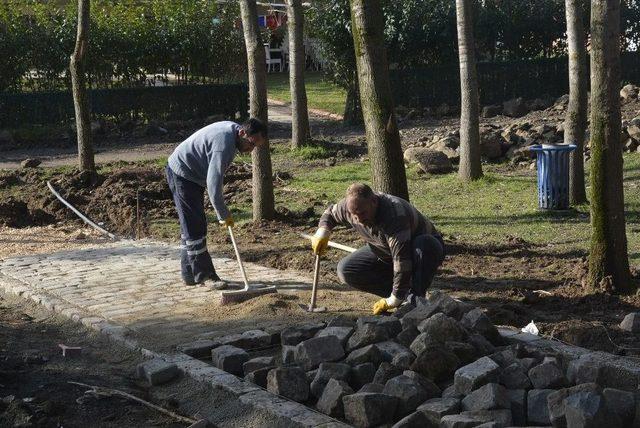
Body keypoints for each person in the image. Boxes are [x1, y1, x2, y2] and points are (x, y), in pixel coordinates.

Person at [311, 183, 445, 314]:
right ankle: (405, 296)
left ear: (374, 201)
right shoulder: (350, 208)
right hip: (385, 251)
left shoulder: (395, 215)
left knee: (424, 244)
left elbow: (402, 260)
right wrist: (323, 231)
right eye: (354, 215)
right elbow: (330, 213)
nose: (358, 219)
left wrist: (394, 299)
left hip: (420, 249)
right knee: (346, 269)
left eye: (362, 213)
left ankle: (414, 300)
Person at [166, 118, 267, 287]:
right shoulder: (224, 146)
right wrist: (223, 214)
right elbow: (214, 186)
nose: (252, 149)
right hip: (182, 173)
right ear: (243, 133)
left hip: (191, 175)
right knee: (195, 227)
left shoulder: (233, 132)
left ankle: (189, 274)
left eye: (256, 146)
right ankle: (205, 276)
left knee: (191, 225)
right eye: (252, 143)